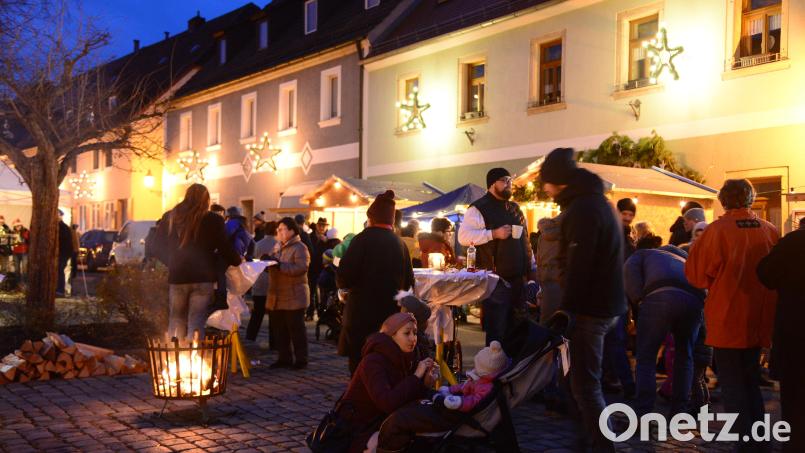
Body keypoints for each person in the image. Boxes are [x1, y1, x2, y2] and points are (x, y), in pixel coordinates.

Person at [539, 148, 626, 452]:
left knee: (585, 386)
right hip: (604, 304)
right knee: (580, 381)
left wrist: (568, 309)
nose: (545, 188)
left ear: (559, 181)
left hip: (591, 308)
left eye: (547, 182)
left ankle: (602, 444)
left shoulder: (583, 209)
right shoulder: (596, 203)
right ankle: (587, 438)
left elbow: (579, 263)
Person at [686, 179, 778, 452]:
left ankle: (746, 443)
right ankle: (759, 438)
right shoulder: (770, 231)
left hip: (727, 317)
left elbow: (696, 276)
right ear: (751, 199)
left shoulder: (717, 231)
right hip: (759, 317)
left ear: (724, 200)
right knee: (751, 380)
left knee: (733, 385)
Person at [378, 340, 510, 451]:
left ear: (487, 371)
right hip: (451, 408)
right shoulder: (480, 379)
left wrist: (458, 401)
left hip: (457, 414)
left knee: (400, 420)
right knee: (410, 411)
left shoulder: (487, 387)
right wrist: (449, 390)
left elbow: (474, 401)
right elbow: (462, 387)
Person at [337, 190, 415, 373]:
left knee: (359, 364)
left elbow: (344, 276)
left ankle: (361, 397)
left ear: (370, 218)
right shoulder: (400, 244)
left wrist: (343, 287)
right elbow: (409, 284)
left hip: (361, 315)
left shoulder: (361, 240)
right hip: (390, 317)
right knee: (384, 362)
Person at [624, 241, 705, 415]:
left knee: (646, 358)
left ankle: (644, 412)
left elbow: (629, 272)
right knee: (685, 357)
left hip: (658, 297)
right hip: (694, 300)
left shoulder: (644, 254)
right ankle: (679, 411)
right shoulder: (687, 260)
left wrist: (638, 302)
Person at [338, 312, 436, 453]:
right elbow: (388, 402)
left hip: (386, 422)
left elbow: (408, 397)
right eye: (406, 333)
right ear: (391, 336)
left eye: (415, 333)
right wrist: (416, 376)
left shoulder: (409, 356)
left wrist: (426, 383)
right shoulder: (373, 361)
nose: (413, 339)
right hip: (357, 429)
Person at [458, 168, 533, 346]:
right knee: (497, 335)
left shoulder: (515, 208)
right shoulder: (478, 209)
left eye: (510, 180)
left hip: (518, 280)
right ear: (492, 184)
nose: (509, 184)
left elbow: (526, 242)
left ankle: (515, 372)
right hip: (495, 281)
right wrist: (493, 234)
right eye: (504, 180)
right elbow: (463, 236)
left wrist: (532, 270)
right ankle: (495, 372)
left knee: (519, 331)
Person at [157, 184, 242, 340]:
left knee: (176, 319)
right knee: (196, 321)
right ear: (206, 200)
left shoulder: (170, 217)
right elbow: (224, 247)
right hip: (203, 278)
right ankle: (192, 358)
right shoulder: (213, 220)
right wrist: (237, 260)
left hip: (178, 277)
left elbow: (157, 246)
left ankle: (174, 357)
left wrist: (171, 262)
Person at [756, 219, 805, 452]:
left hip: (795, 327)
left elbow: (765, 274)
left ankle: (795, 443)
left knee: (794, 391)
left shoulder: (793, 242)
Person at [266, 217, 311, 369]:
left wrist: (280, 266)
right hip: (277, 295)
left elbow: (300, 268)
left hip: (294, 295)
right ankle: (284, 358)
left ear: (292, 230)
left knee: (296, 329)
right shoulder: (277, 246)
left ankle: (301, 359)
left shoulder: (300, 247)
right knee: (280, 330)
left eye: (282, 229)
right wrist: (266, 263)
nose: (279, 232)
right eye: (278, 230)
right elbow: (274, 265)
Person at [246, 221, 279, 345]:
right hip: (272, 283)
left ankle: (250, 336)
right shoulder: (278, 244)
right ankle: (274, 342)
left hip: (259, 282)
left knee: (257, 314)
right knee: (274, 316)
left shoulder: (258, 244)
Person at [306, 217, 329, 321]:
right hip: (311, 268)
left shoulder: (328, 238)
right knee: (311, 292)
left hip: (322, 269)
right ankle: (310, 313)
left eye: (324, 225)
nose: (322, 227)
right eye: (320, 225)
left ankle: (321, 315)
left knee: (323, 293)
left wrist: (326, 241)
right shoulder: (310, 237)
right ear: (316, 226)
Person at [56, 210, 74, 297]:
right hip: (62, 253)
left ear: (61, 216)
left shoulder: (63, 228)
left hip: (62, 253)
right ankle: (58, 289)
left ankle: (60, 290)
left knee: (59, 270)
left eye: (58, 214)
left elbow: (66, 242)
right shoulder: (59, 226)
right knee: (58, 271)